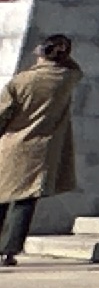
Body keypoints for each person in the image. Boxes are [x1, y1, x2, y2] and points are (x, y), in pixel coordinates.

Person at [0, 32, 81, 264]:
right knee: (25, 200)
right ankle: (9, 251)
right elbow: (75, 68)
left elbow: (3, 113)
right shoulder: (67, 78)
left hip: (12, 145)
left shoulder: (21, 81)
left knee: (2, 197)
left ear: (41, 54)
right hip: (43, 150)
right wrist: (63, 54)